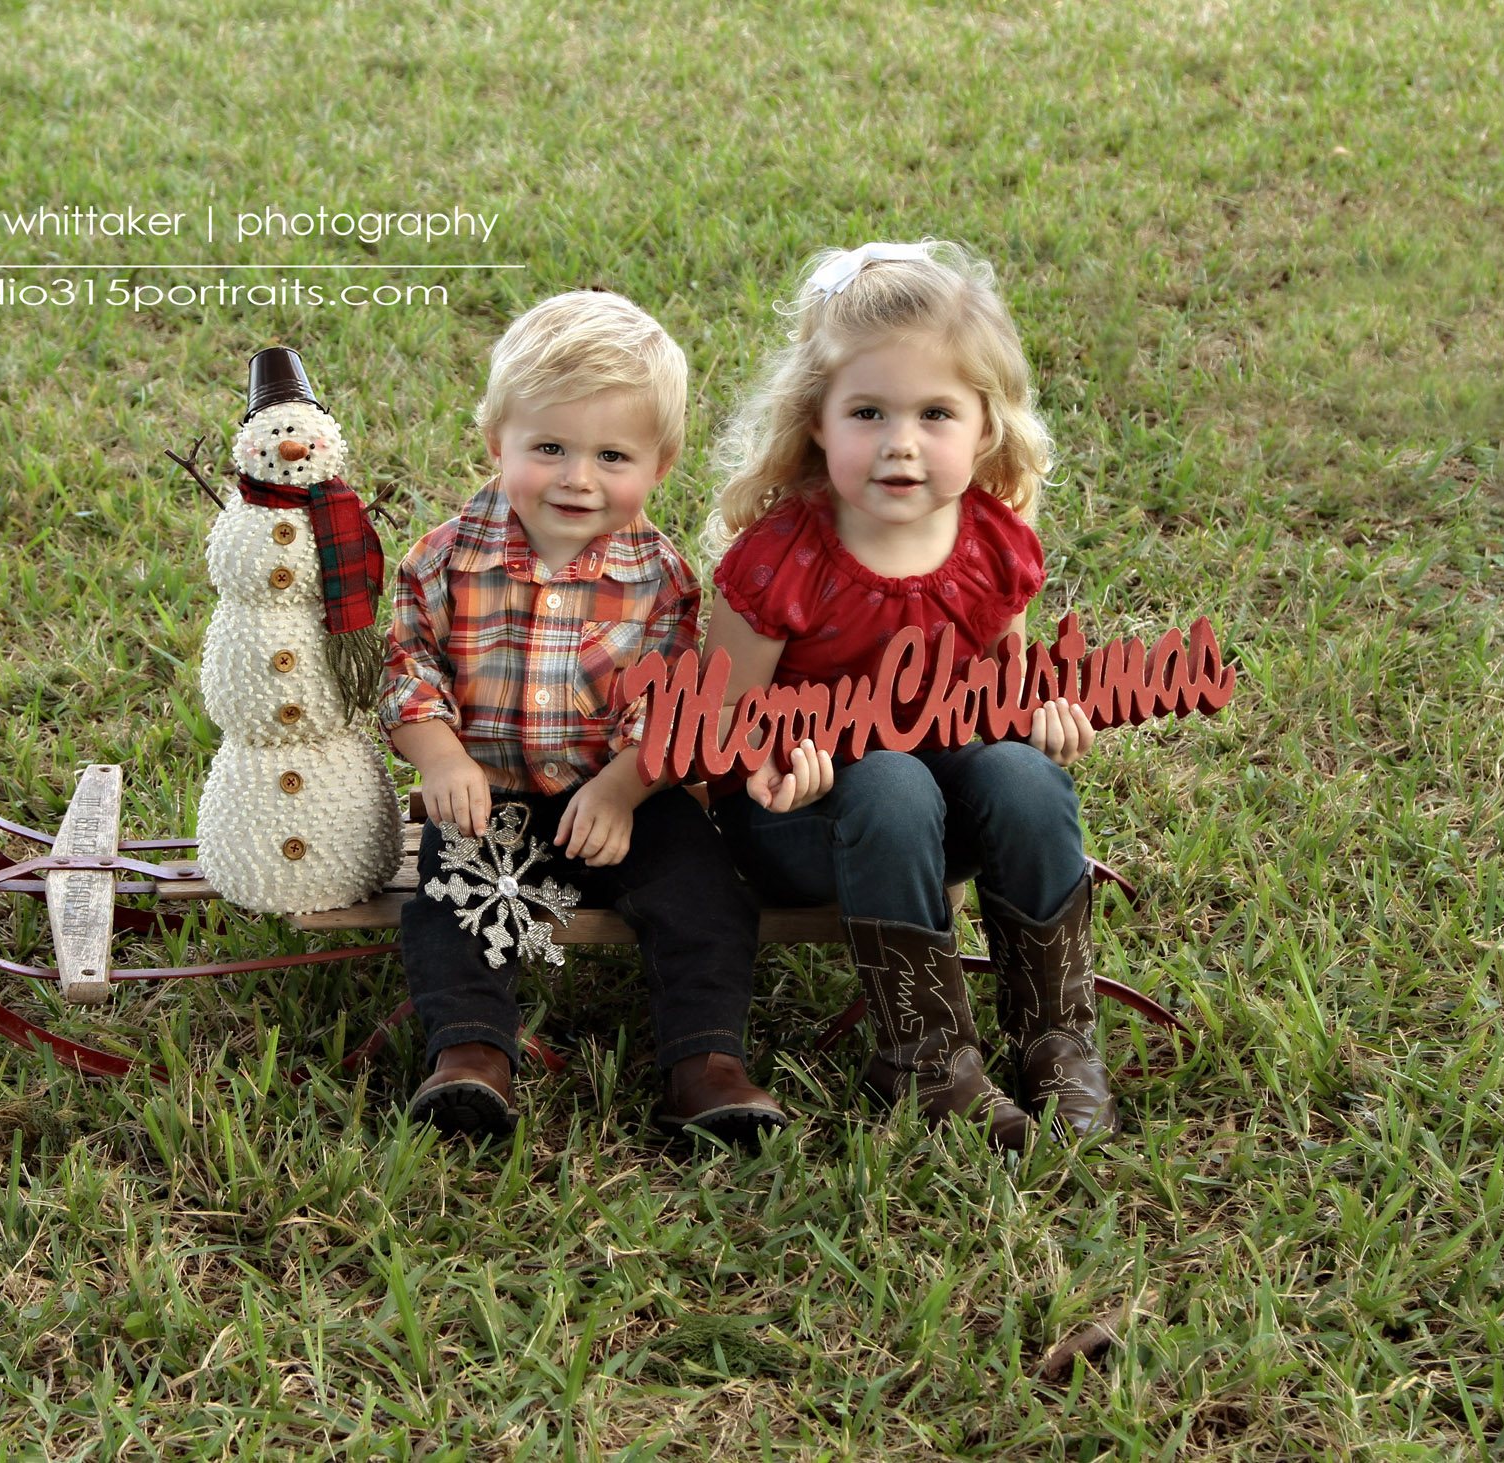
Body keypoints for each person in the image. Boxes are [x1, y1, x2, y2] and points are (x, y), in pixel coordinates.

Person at [702, 241, 1110, 1148]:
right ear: (816, 421)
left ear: (986, 425)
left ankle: (1057, 1037)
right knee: (890, 778)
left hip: (939, 815)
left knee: (1022, 776)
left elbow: (1003, 690)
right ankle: (924, 1058)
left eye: (935, 413)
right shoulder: (781, 560)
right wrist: (774, 764)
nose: (901, 441)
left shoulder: (992, 543)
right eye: (868, 412)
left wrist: (1042, 719)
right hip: (797, 819)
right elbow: (719, 723)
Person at [380, 289, 787, 1144]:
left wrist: (623, 790)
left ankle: (705, 1064)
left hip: (624, 792)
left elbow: (669, 705)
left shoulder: (662, 578)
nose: (578, 477)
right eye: (550, 447)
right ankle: (470, 1052)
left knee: (703, 893)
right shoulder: (444, 559)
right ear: (497, 441)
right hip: (489, 791)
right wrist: (442, 759)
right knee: (450, 898)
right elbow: (409, 670)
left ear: (660, 464)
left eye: (611, 455)